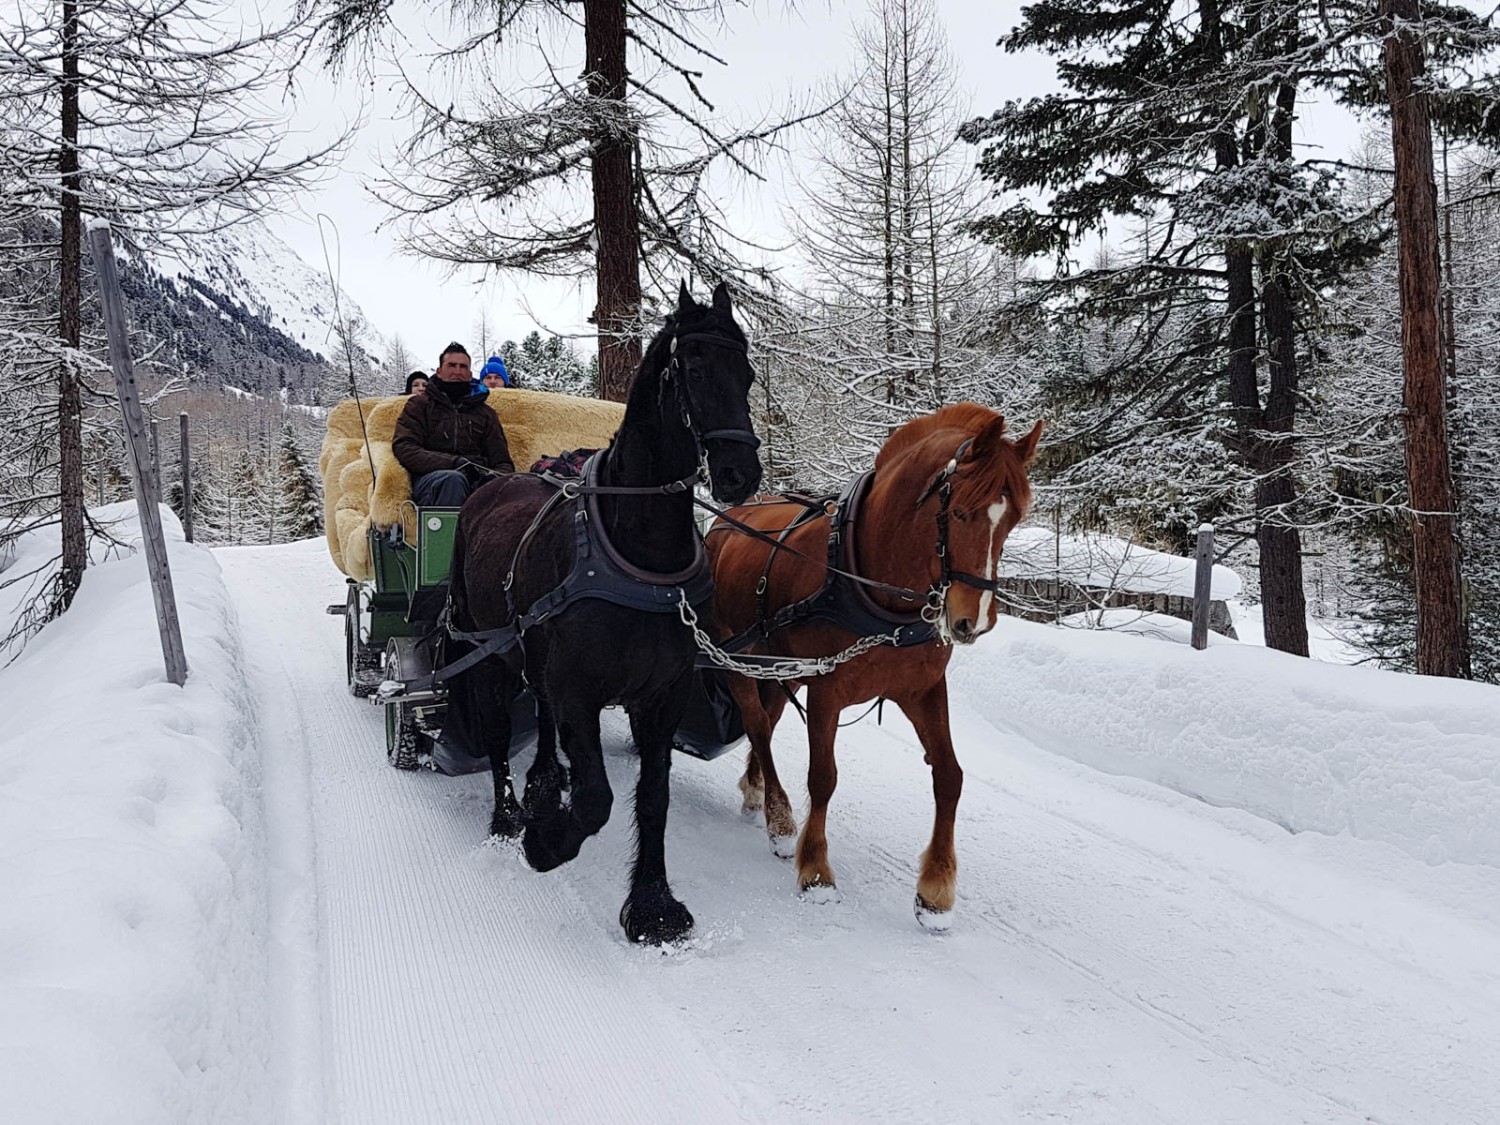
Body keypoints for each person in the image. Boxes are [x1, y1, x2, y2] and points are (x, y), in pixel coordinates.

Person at [393, 342, 515, 506]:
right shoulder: (419, 406)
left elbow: (502, 462)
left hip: (477, 481)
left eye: (463, 367)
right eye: (451, 365)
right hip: (431, 480)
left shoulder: (486, 413)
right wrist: (454, 464)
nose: (457, 371)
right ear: (439, 371)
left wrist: (493, 479)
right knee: (452, 481)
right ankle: (449, 532)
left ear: (470, 373)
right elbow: (404, 447)